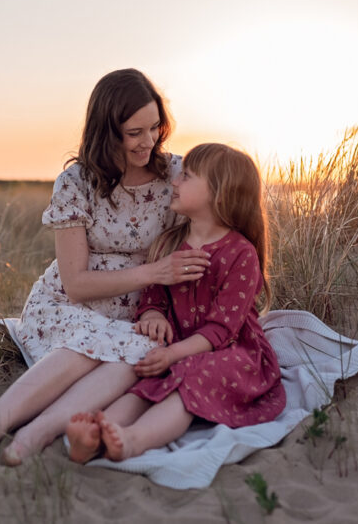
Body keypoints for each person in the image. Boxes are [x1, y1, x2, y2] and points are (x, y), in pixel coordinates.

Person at [0, 68, 210, 473]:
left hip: (140, 316)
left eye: (155, 127)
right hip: (71, 307)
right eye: (134, 132)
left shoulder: (175, 175)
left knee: (137, 355)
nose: (148, 141)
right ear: (108, 132)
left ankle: (37, 433)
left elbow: (217, 223)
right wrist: (153, 273)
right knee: (91, 342)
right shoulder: (76, 182)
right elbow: (75, 284)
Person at [65, 143, 286, 464]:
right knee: (148, 376)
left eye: (187, 176)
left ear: (219, 194)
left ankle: (133, 441)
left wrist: (173, 354)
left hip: (232, 352)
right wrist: (153, 315)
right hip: (178, 346)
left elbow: (222, 330)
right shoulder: (170, 243)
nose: (175, 181)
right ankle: (98, 433)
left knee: (190, 373)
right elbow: (153, 296)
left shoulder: (241, 253)